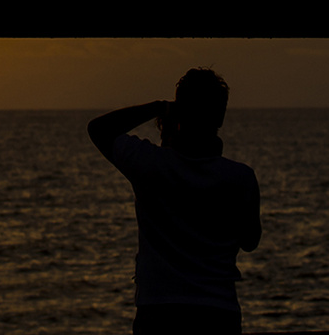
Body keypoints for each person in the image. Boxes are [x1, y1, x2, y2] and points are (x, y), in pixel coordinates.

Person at [89, 68, 262, 335]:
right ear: (221, 115)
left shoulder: (150, 164)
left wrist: (158, 107)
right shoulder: (240, 177)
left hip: (159, 311)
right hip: (219, 312)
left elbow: (99, 129)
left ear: (179, 110)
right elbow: (250, 241)